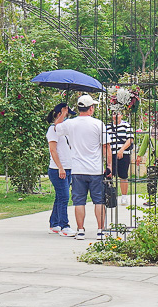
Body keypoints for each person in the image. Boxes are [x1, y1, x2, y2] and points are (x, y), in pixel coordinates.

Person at [58, 93, 111, 240]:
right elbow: (106, 147)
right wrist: (109, 166)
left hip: (77, 169)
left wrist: (63, 114)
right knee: (99, 201)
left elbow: (57, 128)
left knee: (79, 201)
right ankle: (101, 230)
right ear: (91, 108)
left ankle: (80, 230)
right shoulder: (98, 124)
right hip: (95, 169)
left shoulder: (70, 123)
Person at [44, 103, 73, 235]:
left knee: (60, 197)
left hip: (68, 168)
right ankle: (64, 226)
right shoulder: (52, 130)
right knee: (64, 198)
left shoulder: (62, 131)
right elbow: (53, 150)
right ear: (59, 114)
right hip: (58, 169)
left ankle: (54, 223)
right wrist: (60, 167)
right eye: (66, 114)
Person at [106, 105, 135, 209]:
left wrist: (122, 150)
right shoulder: (107, 127)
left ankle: (124, 196)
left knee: (123, 175)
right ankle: (111, 194)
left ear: (121, 115)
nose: (116, 115)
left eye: (117, 113)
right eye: (114, 113)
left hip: (124, 154)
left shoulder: (126, 125)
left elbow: (130, 139)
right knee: (110, 174)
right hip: (111, 153)